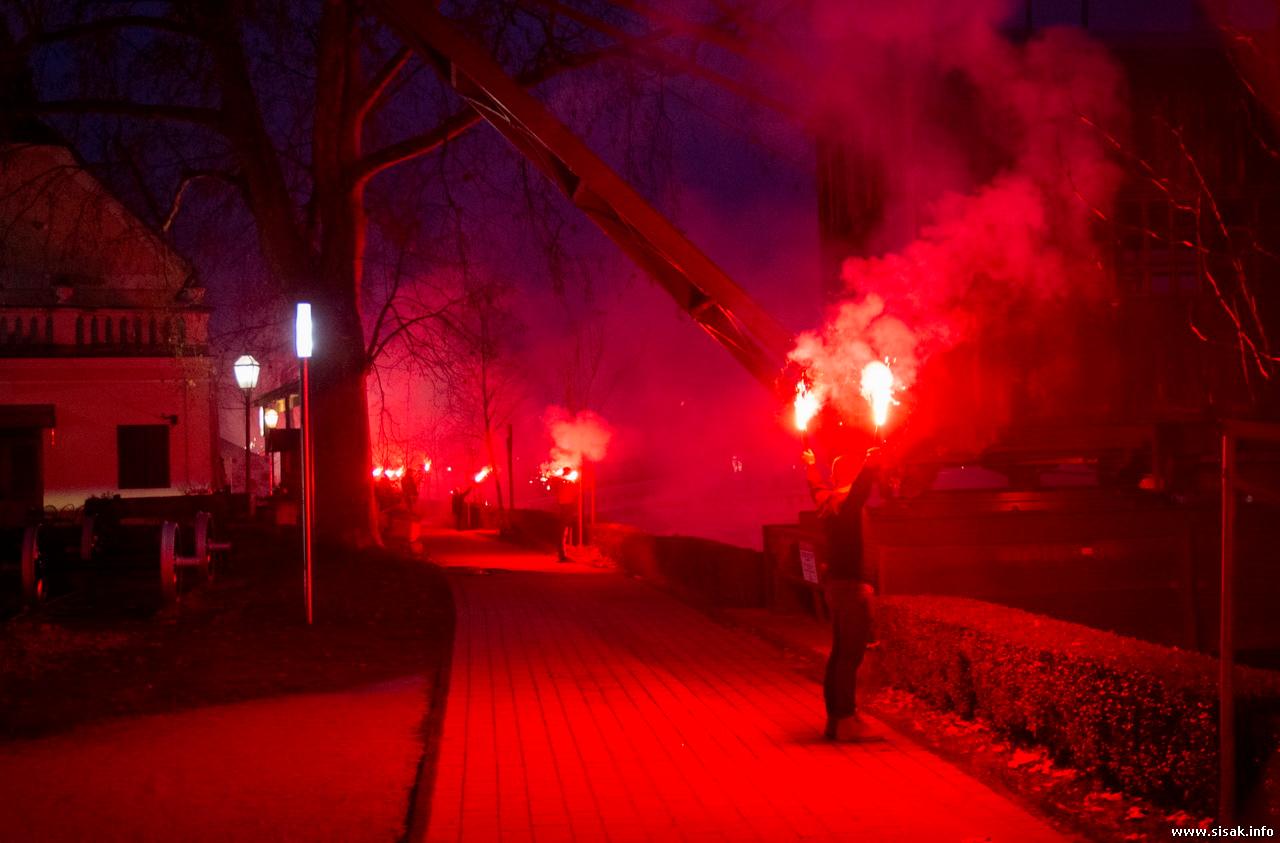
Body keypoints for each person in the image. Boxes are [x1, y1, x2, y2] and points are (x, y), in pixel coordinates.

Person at [802, 445, 882, 742]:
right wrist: (871, 467)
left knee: (840, 655)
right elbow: (861, 491)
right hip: (851, 588)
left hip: (836, 587)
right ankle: (845, 719)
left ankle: (838, 718)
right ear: (853, 474)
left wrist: (810, 464)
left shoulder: (828, 501)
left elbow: (816, 487)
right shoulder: (848, 505)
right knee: (849, 655)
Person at [550, 467, 580, 562]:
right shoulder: (565, 482)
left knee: (563, 533)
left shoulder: (561, 482)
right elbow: (574, 494)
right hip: (565, 508)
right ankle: (562, 555)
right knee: (562, 533)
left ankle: (562, 555)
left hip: (564, 507)